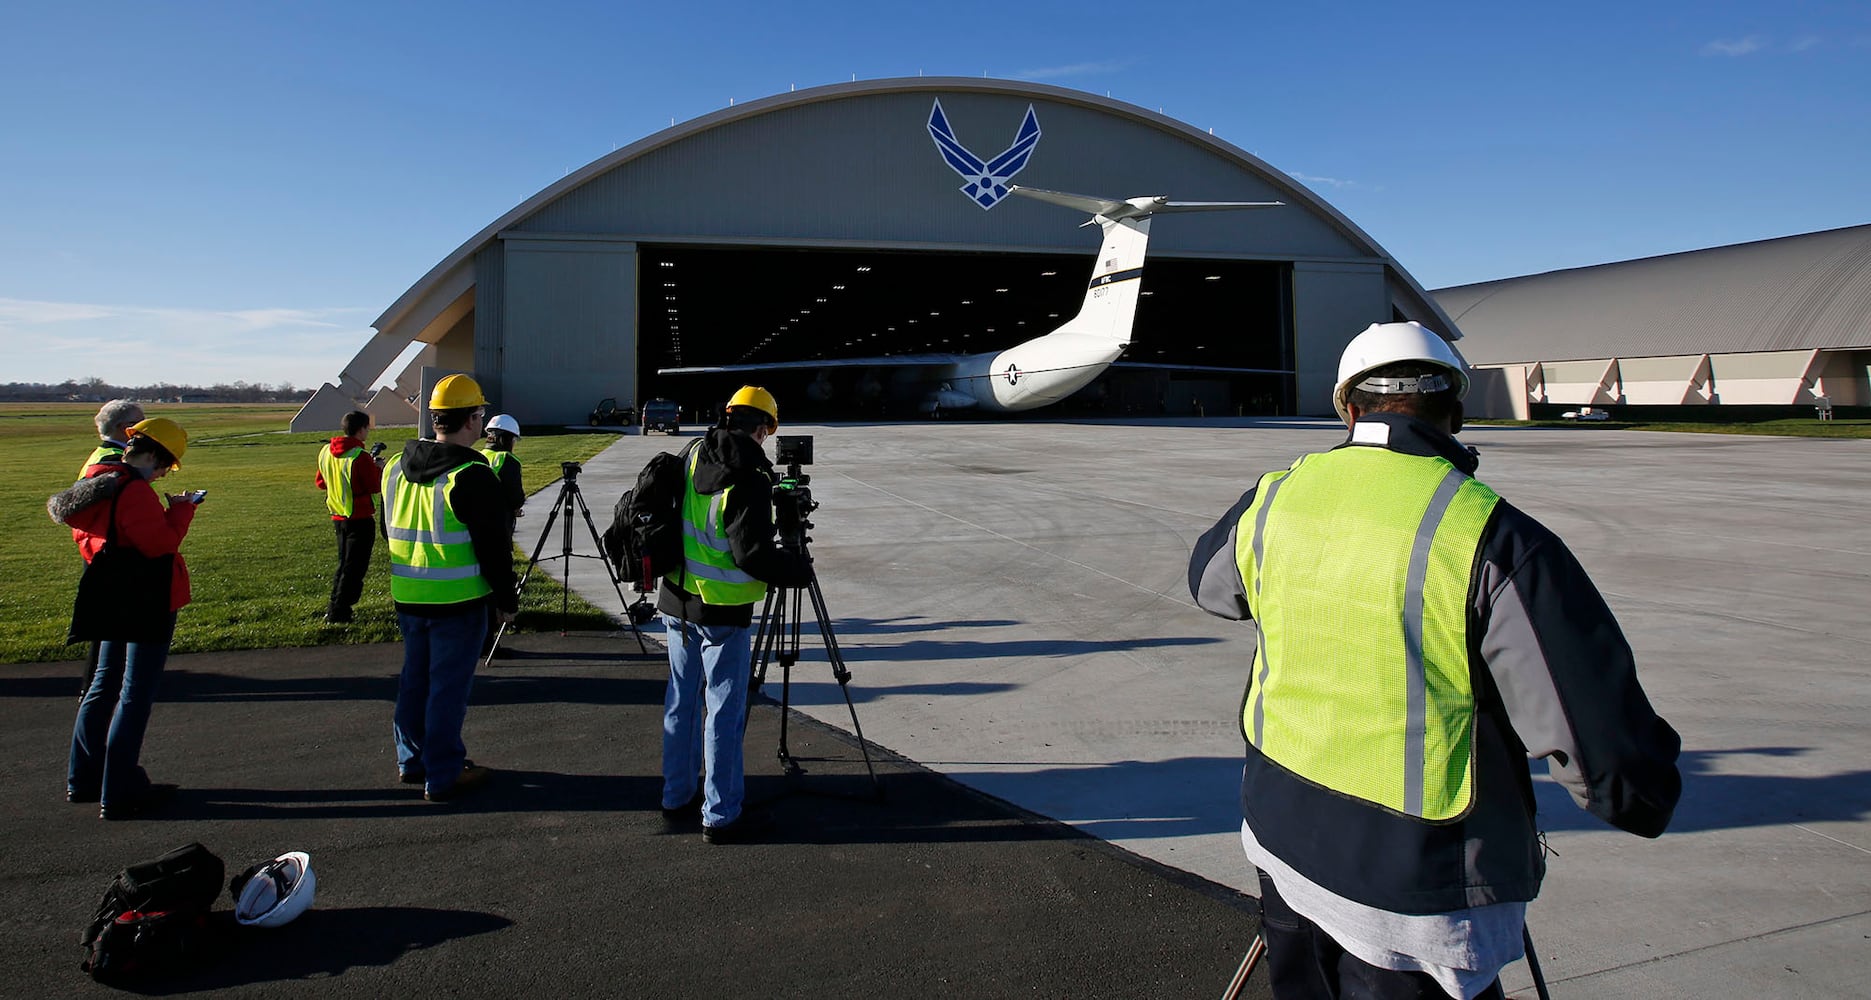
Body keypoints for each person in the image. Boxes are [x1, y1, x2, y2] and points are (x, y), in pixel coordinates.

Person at [1187, 322, 1682, 999]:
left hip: (1282, 844)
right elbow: (1611, 765)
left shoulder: (1274, 498)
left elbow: (1211, 590)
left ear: (1349, 408)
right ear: (1453, 412)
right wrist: (1646, 799)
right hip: (1412, 894)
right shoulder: (1494, 537)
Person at [656, 385, 810, 844]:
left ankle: (676, 796)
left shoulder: (691, 452)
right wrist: (795, 569)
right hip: (722, 611)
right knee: (722, 711)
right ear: (762, 428)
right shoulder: (749, 475)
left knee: (681, 703)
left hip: (677, 601)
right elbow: (753, 556)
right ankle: (721, 814)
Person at [51, 418, 199, 821]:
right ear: (152, 454)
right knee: (135, 694)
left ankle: (83, 778)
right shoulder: (133, 492)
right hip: (146, 597)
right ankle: (119, 788)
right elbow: (161, 544)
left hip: (110, 593)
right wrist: (182, 511)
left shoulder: (98, 481)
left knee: (103, 684)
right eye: (166, 465)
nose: (164, 473)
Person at [382, 374, 518, 802]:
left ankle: (411, 760)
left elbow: (385, 526)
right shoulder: (471, 475)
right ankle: (442, 774)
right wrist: (506, 600)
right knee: (447, 690)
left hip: (409, 595)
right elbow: (494, 549)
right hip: (457, 601)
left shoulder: (395, 467)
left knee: (414, 682)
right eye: (479, 414)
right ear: (472, 420)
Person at [314, 410, 385, 624]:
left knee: (344, 564)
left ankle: (335, 606)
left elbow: (320, 482)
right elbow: (373, 486)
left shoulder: (326, 451)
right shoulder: (360, 456)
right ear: (361, 429)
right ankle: (340, 611)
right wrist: (378, 469)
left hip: (338, 516)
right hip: (360, 517)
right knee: (354, 567)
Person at [80, 399, 145, 477]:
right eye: (140, 423)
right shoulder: (115, 460)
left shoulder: (101, 453)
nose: (144, 427)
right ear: (122, 426)